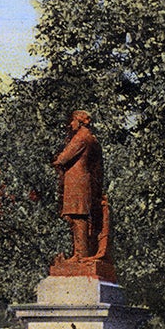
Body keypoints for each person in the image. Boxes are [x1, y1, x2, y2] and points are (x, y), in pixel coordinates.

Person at [52, 110, 104, 261]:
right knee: (76, 218)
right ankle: (79, 252)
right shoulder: (92, 138)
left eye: (73, 121)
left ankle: (80, 254)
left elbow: (64, 157)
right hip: (82, 181)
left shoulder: (81, 137)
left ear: (80, 121)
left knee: (78, 217)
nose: (71, 124)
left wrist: (57, 161)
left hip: (78, 182)